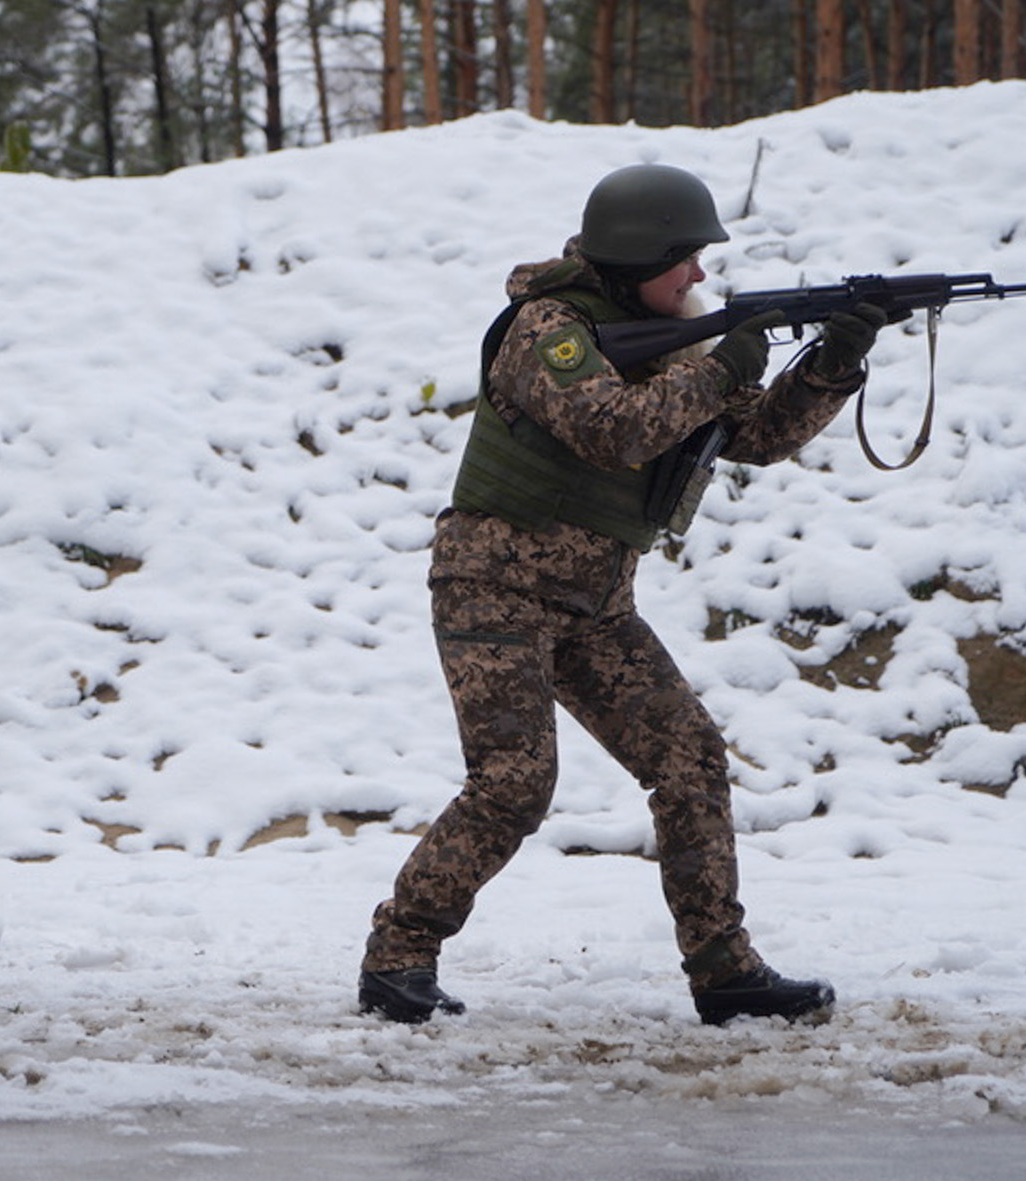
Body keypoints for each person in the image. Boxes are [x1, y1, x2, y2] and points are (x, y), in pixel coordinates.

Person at [358, 163, 887, 1027]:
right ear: (639, 253)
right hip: (495, 590)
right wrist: (725, 364)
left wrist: (831, 362)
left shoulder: (667, 334)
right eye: (686, 259)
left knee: (689, 756)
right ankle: (398, 957)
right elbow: (613, 429)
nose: (701, 278)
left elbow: (753, 436)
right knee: (515, 782)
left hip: (595, 603)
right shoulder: (548, 330)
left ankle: (725, 972)